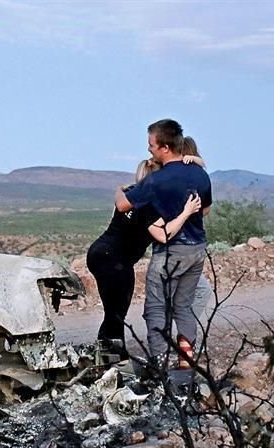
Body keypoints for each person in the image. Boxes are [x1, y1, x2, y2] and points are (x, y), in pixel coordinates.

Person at [86, 137, 210, 360]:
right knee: (117, 312)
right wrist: (187, 212)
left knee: (114, 311)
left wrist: (195, 161)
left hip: (101, 253)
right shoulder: (150, 204)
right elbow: (163, 234)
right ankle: (115, 359)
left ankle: (109, 356)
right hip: (114, 259)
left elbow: (120, 198)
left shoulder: (132, 194)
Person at [115, 119, 212, 370]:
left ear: (165, 148)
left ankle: (160, 364)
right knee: (184, 305)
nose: (149, 149)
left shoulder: (157, 180)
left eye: (151, 144)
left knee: (156, 307)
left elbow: (123, 205)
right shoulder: (200, 174)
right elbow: (206, 209)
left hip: (170, 253)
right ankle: (186, 359)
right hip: (197, 248)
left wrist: (122, 191)